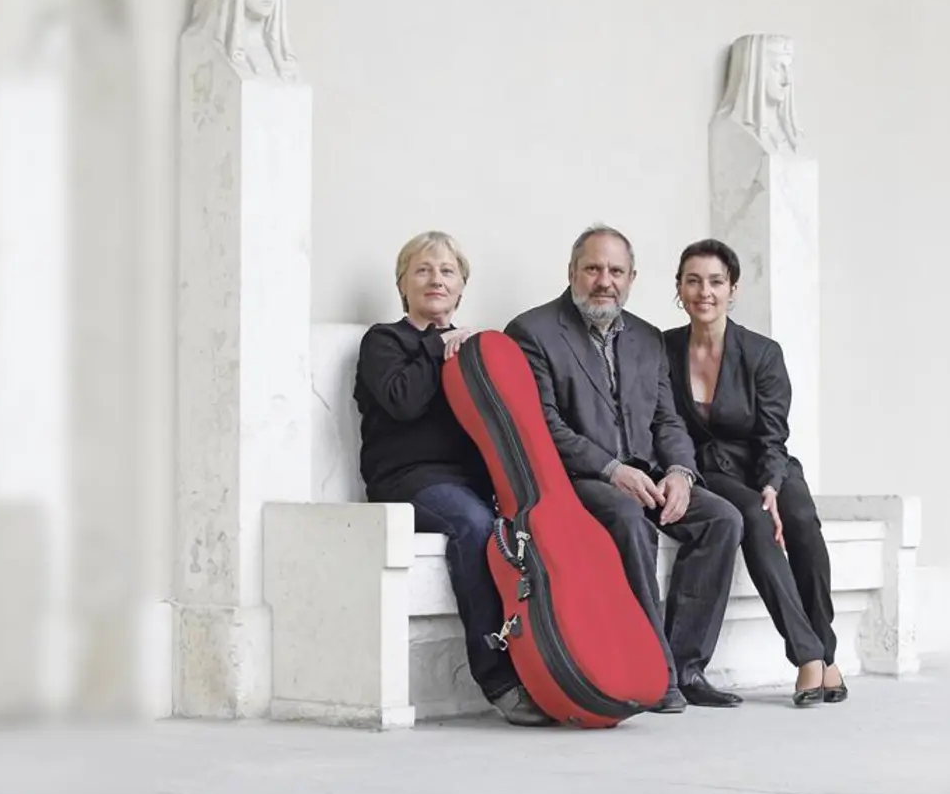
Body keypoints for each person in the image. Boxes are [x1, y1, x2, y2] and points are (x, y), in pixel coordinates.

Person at [504, 225, 744, 713]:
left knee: (723, 520)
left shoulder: (647, 338)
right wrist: (612, 469)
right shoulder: (532, 332)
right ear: (572, 272)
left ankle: (685, 665)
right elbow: (544, 425)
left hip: (648, 473)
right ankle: (654, 670)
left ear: (632, 277)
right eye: (593, 268)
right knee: (629, 519)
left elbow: (666, 418)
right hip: (579, 481)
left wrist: (679, 471)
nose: (604, 281)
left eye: (616, 271)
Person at [352, 231, 553, 727]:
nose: (435, 279)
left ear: (462, 286)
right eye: (422, 269)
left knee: (538, 527)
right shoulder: (385, 341)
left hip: (468, 484)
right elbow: (403, 401)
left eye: (446, 271)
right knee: (474, 524)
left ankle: (550, 667)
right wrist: (436, 346)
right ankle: (497, 678)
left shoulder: (471, 348)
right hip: (405, 480)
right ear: (402, 284)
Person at [663, 239, 846, 707]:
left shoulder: (762, 353)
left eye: (716, 282)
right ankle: (807, 657)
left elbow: (772, 433)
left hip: (766, 460)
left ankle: (826, 651)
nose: (705, 291)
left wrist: (770, 484)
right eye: (694, 280)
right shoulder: (663, 347)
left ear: (733, 289)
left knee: (802, 522)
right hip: (711, 467)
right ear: (680, 288)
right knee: (756, 520)